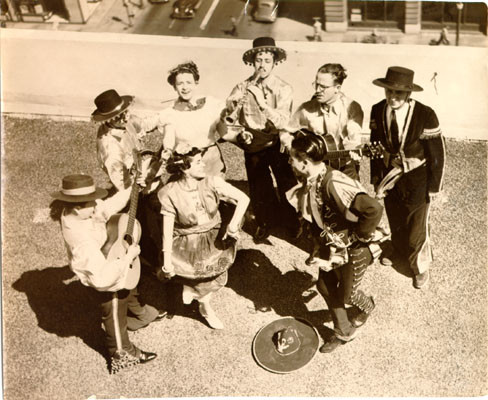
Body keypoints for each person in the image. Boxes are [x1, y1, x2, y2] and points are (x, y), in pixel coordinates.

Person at [51, 174, 165, 373]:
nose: (97, 205)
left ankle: (140, 314)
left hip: (109, 256)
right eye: (91, 203)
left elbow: (107, 207)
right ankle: (122, 352)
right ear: (77, 207)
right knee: (114, 309)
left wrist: (132, 189)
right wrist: (128, 257)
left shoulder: (77, 212)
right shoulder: (83, 243)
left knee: (129, 285)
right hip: (104, 277)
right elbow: (103, 279)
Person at [286, 132, 384, 353]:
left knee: (348, 295)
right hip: (332, 244)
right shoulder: (312, 178)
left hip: (354, 249)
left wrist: (359, 236)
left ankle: (367, 306)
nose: (289, 161)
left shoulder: (333, 182)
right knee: (324, 285)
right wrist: (318, 246)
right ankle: (344, 331)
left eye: (292, 157)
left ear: (304, 162)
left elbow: (373, 208)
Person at [157, 144, 250, 329]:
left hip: (213, 240)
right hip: (188, 244)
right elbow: (166, 232)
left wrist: (233, 224)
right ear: (184, 168)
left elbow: (243, 199)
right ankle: (204, 307)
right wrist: (167, 261)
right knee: (195, 277)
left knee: (210, 277)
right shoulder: (169, 193)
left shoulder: (212, 181)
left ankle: (201, 301)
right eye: (198, 162)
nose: (204, 165)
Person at [369, 66, 445, 289]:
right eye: (389, 92)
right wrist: (377, 178)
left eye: (399, 93)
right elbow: (376, 146)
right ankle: (399, 251)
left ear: (409, 94)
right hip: (390, 176)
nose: (392, 97)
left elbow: (438, 153)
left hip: (417, 177)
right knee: (395, 217)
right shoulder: (377, 110)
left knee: (416, 227)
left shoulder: (425, 114)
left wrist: (435, 187)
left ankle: (421, 266)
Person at [221, 36, 299, 242]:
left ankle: (293, 223)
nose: (262, 65)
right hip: (252, 143)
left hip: (276, 140)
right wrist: (233, 107)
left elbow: (283, 121)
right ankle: (267, 222)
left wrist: (262, 102)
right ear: (252, 62)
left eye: (267, 60)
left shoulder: (284, 88)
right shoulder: (241, 86)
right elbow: (230, 118)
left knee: (286, 183)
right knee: (259, 186)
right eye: (258, 60)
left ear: (274, 62)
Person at [92, 88, 163, 270]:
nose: (126, 117)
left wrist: (169, 115)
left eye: (125, 112)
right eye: (120, 116)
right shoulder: (109, 149)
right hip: (134, 187)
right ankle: (148, 263)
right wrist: (149, 173)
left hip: (142, 172)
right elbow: (124, 185)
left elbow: (145, 124)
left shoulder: (124, 121)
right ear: (109, 120)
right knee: (144, 227)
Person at [142, 61, 227, 178]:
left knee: (212, 193)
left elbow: (227, 128)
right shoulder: (170, 113)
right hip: (185, 163)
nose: (185, 87)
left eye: (189, 82)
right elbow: (155, 130)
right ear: (174, 87)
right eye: (180, 84)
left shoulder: (211, 104)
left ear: (196, 83)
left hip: (211, 161)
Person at [285, 63, 364, 180]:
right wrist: (294, 153)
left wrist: (355, 150)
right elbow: (286, 131)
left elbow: (353, 139)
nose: (317, 90)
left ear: (337, 88)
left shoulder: (351, 108)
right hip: (313, 168)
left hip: (345, 169)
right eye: (316, 84)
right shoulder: (306, 108)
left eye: (323, 87)